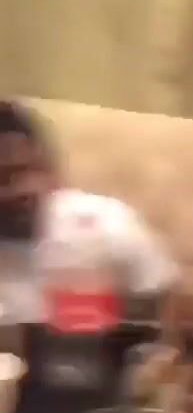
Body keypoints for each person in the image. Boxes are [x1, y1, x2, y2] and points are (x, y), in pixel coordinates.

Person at [0, 100, 178, 326]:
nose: (25, 189)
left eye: (32, 169)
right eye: (3, 178)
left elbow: (168, 304)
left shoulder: (108, 222)